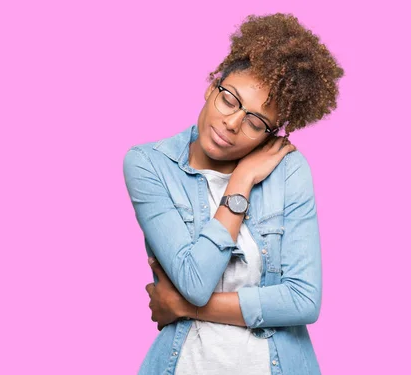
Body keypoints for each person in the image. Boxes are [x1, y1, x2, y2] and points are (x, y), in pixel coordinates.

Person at [122, 13, 344, 375]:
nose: (232, 123)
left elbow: (303, 300)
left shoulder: (288, 171)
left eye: (255, 122)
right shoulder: (150, 164)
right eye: (229, 100)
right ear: (212, 87)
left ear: (270, 134)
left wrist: (184, 307)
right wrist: (240, 183)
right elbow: (195, 282)